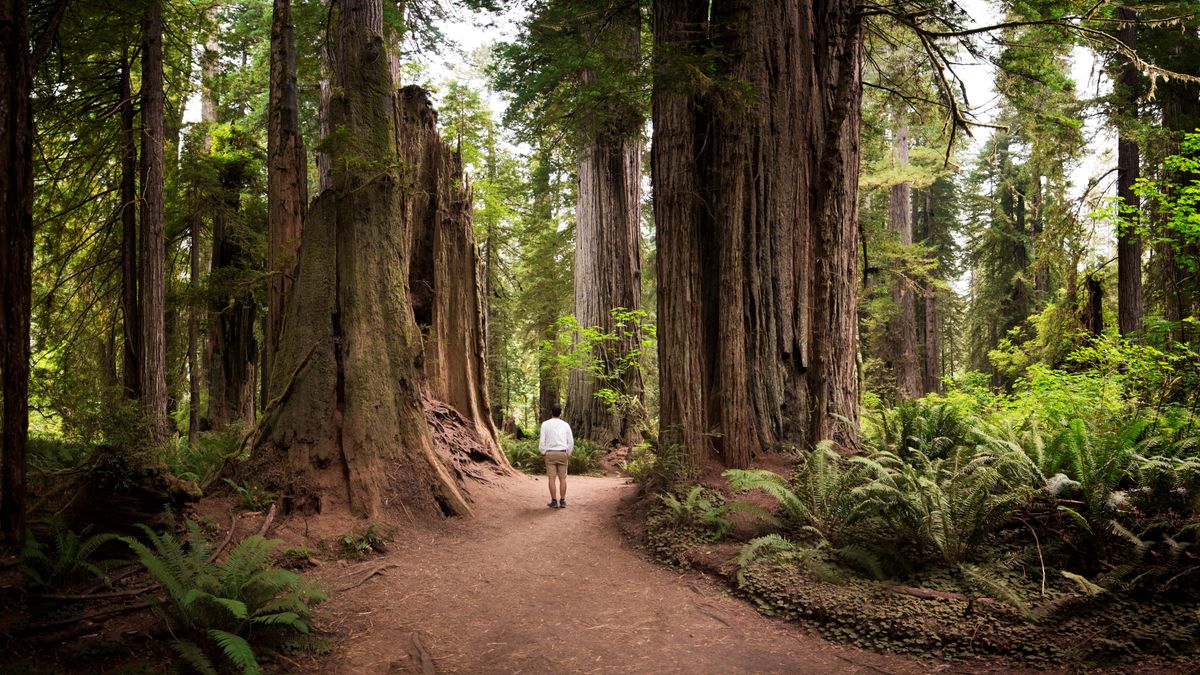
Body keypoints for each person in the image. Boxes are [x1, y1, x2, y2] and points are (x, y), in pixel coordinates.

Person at [539, 403, 573, 508]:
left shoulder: (545, 424)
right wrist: (568, 452)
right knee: (563, 478)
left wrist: (543, 451)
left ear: (551, 412)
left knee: (551, 478)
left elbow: (542, 440)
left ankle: (554, 501)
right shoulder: (565, 425)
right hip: (562, 453)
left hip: (550, 453)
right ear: (560, 413)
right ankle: (562, 501)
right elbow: (570, 441)